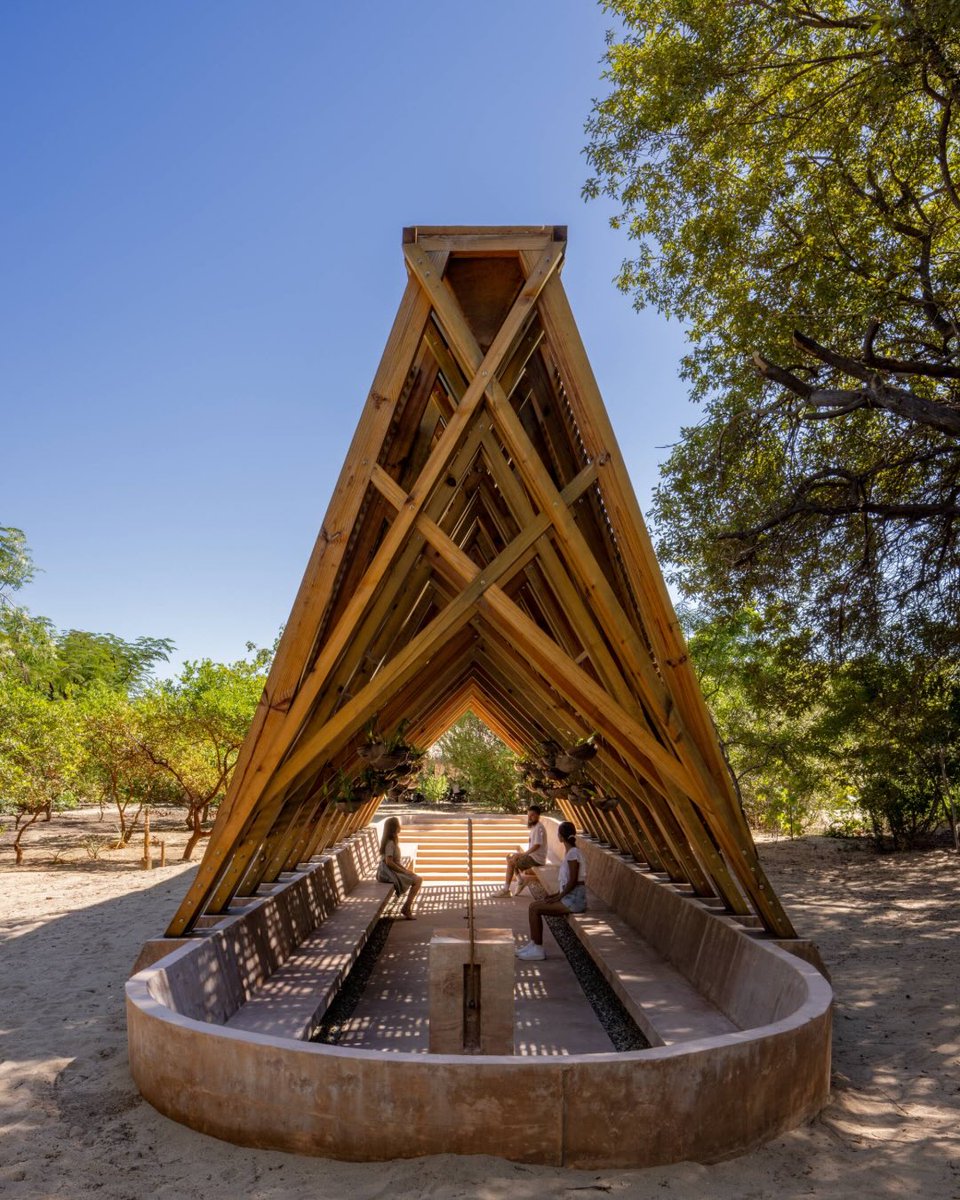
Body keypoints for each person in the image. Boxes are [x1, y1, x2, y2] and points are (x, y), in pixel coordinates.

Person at [515, 821, 585, 960]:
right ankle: (534, 944)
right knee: (534, 906)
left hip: (574, 900)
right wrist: (555, 895)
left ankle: (538, 949)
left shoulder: (573, 854)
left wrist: (558, 898)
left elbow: (573, 881)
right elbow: (568, 883)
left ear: (561, 836)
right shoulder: (571, 852)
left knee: (535, 908)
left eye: (558, 833)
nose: (557, 835)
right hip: (570, 896)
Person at [377, 816, 422, 919]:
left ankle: (406, 907)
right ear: (394, 827)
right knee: (418, 880)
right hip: (387, 872)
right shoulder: (390, 843)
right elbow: (389, 862)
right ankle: (406, 908)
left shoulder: (393, 841)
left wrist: (406, 871)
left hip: (390, 870)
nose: (400, 826)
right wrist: (404, 872)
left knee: (416, 877)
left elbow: (395, 862)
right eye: (398, 825)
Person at [498, 804, 547, 897]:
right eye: (528, 815)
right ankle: (520, 880)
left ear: (538, 815)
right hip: (533, 856)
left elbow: (537, 845)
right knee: (510, 857)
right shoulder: (534, 827)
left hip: (537, 859)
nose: (530, 818)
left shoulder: (538, 828)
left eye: (532, 815)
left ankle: (506, 890)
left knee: (512, 862)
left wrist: (523, 854)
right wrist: (520, 855)